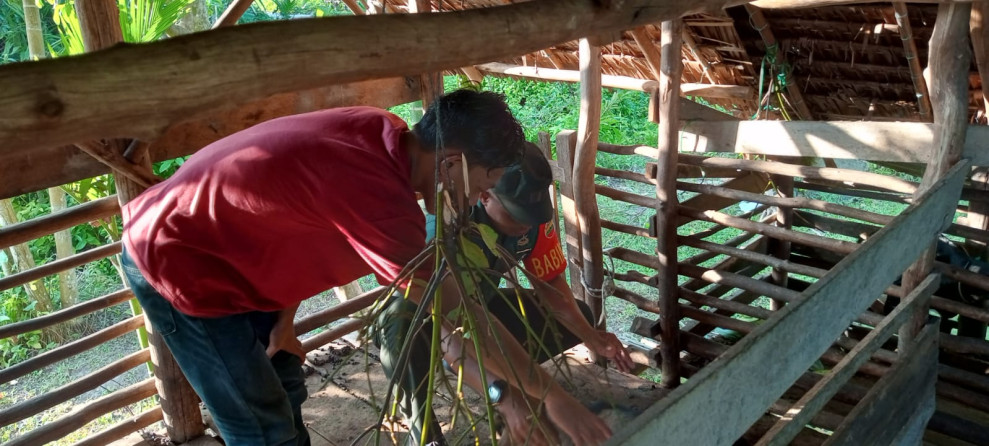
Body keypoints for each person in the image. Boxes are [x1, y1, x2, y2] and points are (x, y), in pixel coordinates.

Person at [120, 90, 613, 446]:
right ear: (451, 163)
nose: (478, 195)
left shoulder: (383, 132)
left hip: (235, 256)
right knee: (262, 426)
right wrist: (550, 398)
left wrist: (284, 317)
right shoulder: (381, 200)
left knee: (284, 382)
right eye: (483, 179)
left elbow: (291, 211)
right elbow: (462, 318)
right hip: (178, 261)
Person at [377, 142, 632, 445]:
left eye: (531, 214)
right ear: (484, 195)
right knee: (405, 333)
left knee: (574, 319)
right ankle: (424, 432)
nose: (525, 226)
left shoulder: (533, 221)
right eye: (516, 215)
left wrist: (590, 335)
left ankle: (518, 383)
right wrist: (505, 394)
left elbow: (550, 286)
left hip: (479, 306)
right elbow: (457, 331)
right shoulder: (447, 231)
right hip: (429, 320)